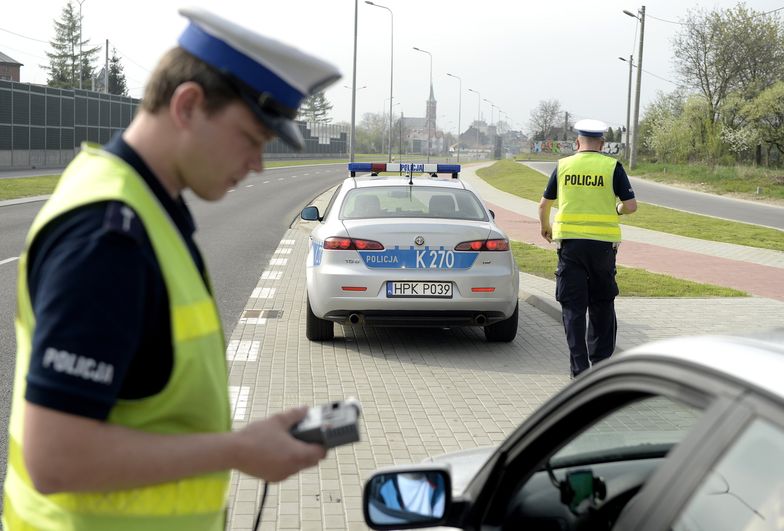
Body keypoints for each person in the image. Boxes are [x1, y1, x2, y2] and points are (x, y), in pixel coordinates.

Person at [2, 8, 340, 531]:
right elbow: (56, 458)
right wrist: (236, 451)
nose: (257, 164)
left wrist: (244, 443)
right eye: (251, 139)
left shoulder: (137, 204)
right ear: (188, 105)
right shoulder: (108, 237)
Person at [538, 119, 637, 378]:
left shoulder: (563, 166)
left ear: (577, 142)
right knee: (602, 303)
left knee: (573, 307)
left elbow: (543, 204)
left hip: (571, 247)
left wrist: (545, 227)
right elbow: (631, 206)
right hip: (603, 248)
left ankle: (579, 370)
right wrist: (617, 209)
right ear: (602, 144)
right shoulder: (612, 166)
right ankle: (602, 368)